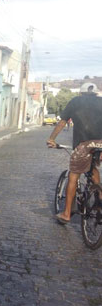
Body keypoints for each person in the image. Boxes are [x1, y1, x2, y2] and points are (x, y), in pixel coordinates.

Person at [46, 82, 102, 223]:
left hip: (83, 145)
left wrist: (52, 139)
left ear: (81, 93)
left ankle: (66, 214)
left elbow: (62, 122)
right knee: (93, 169)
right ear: (95, 93)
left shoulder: (76, 101)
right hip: (100, 144)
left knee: (73, 176)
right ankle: (99, 198)